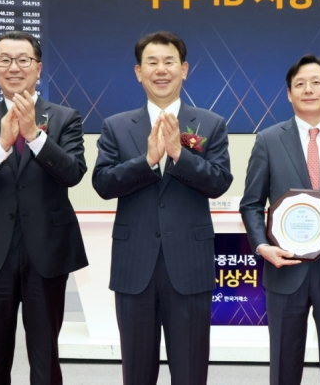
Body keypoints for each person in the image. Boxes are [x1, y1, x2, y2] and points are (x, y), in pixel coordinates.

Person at [92, 31, 232, 385]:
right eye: (151, 62)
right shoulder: (116, 126)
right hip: (134, 266)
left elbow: (219, 182)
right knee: (137, 372)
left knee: (190, 371)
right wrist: (148, 161)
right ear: (138, 72)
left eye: (169, 62)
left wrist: (180, 155)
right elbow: (103, 184)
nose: (161, 69)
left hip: (189, 264)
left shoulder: (210, 124)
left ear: (184, 69)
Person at [0, 31, 88, 385]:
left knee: (45, 359)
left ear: (38, 68)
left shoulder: (65, 118)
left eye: (23, 60)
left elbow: (73, 173)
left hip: (47, 252)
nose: (14, 67)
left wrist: (35, 137)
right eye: (4, 60)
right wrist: (1, 144)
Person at [239, 54, 320, 385]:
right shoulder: (268, 140)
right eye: (300, 84)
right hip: (285, 269)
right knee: (284, 367)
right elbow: (251, 203)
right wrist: (262, 246)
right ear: (289, 93)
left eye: (315, 82)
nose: (308, 89)